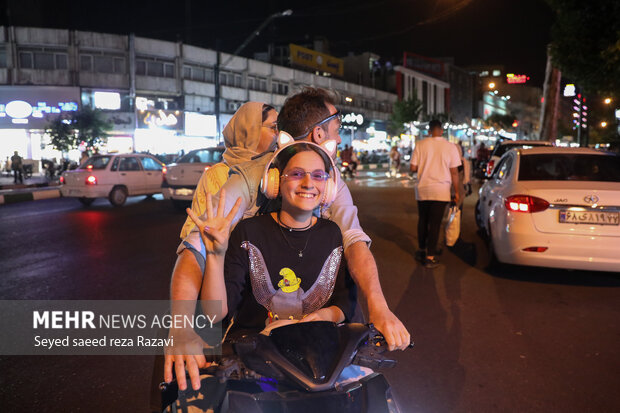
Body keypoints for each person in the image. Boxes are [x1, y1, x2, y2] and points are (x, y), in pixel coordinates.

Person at [166, 87, 410, 391]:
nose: (309, 184)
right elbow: (195, 251)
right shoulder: (247, 181)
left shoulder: (332, 186)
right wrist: (180, 329)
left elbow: (355, 243)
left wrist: (379, 308)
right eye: (337, 123)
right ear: (319, 133)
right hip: (249, 336)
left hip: (319, 341)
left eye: (318, 176)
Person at [188, 140, 356, 335]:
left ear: (328, 187)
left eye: (318, 176)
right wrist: (215, 255)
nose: (308, 183)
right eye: (297, 174)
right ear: (275, 181)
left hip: (316, 353)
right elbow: (213, 316)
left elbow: (346, 302)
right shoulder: (248, 233)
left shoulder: (333, 234)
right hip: (254, 355)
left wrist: (325, 316)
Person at [179, 102, 278, 239]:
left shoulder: (275, 171)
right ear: (250, 130)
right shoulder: (217, 175)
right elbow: (196, 234)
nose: (279, 133)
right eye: (274, 127)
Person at [410, 120, 461, 268]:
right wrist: (456, 192)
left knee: (423, 220)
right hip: (441, 190)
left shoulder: (420, 144)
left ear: (429, 131)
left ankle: (421, 249)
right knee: (435, 223)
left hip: (422, 189)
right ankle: (430, 255)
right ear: (442, 130)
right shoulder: (450, 147)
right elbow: (454, 172)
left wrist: (425, 164)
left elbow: (413, 167)